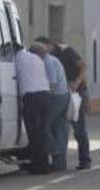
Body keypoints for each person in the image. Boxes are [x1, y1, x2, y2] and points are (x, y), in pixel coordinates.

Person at [37, 36, 91, 170]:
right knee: (60, 127)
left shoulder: (66, 51)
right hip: (64, 92)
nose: (43, 52)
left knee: (79, 128)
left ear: (49, 44)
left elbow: (83, 66)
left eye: (44, 48)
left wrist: (77, 82)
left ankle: (85, 160)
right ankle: (60, 161)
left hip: (77, 92)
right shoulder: (49, 56)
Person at [14, 43, 52, 174]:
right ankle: (44, 163)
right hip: (45, 95)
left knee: (33, 132)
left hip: (32, 97)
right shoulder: (36, 59)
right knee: (42, 130)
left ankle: (39, 166)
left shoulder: (17, 59)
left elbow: (14, 78)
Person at [34, 41, 70, 171]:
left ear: (38, 54)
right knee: (59, 129)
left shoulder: (48, 63)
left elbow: (52, 85)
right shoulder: (52, 60)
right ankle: (60, 164)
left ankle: (55, 152)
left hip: (57, 97)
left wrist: (43, 101)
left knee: (43, 126)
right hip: (63, 95)